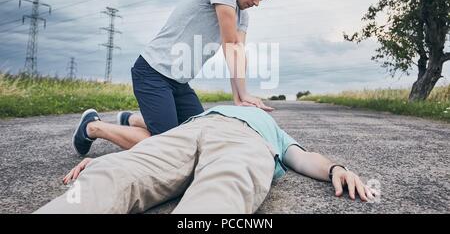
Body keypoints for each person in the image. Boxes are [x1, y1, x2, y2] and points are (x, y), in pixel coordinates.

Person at [72, 0, 277, 156]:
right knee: (170, 147)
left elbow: (238, 52)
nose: (256, 3)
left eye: (262, 0)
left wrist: (239, 99)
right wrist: (244, 94)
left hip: (179, 84)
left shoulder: (243, 16)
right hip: (153, 73)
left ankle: (131, 120)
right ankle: (92, 127)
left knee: (199, 135)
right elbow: (230, 44)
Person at [38, 105, 378, 214]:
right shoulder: (211, 108)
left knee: (222, 191)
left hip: (246, 142)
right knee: (114, 172)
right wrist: (118, 158)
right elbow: (155, 145)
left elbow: (304, 159)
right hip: (190, 131)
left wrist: (336, 168)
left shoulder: (273, 129)